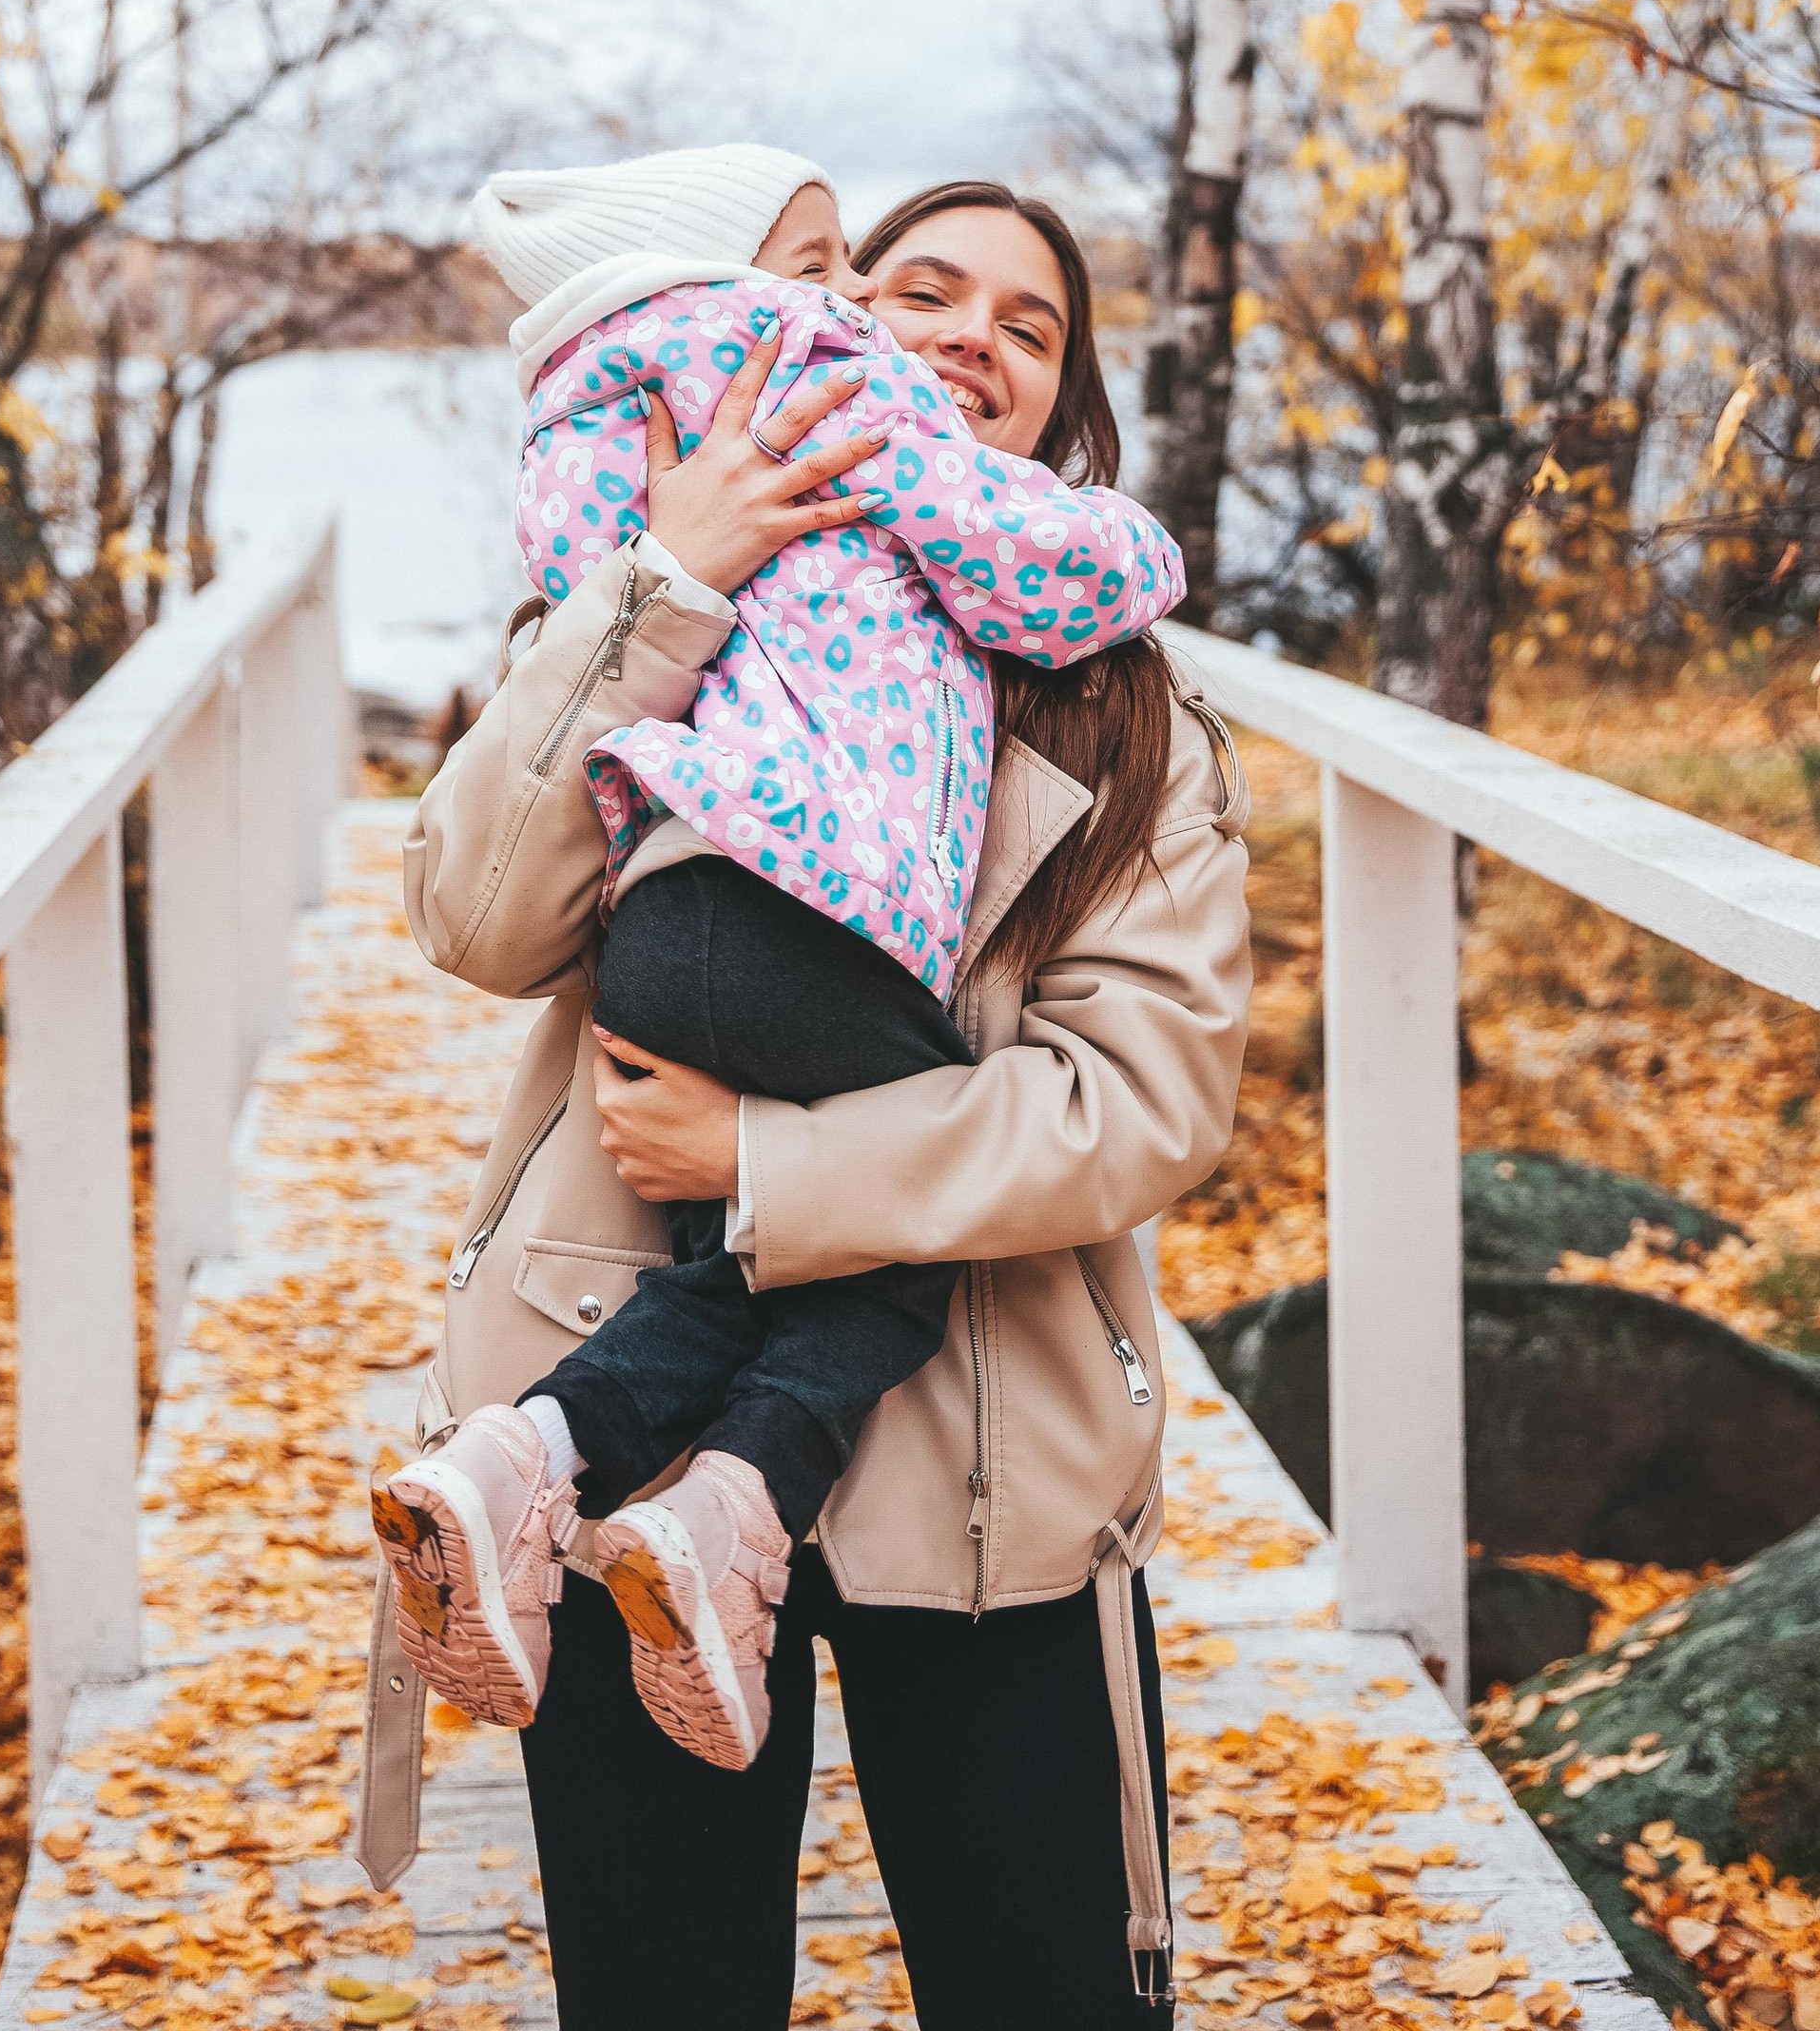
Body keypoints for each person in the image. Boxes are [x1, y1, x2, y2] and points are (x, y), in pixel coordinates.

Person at [356, 181, 1252, 2031]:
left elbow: (1137, 1105)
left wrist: (770, 1165)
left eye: (1027, 324)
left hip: (991, 1462)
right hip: (628, 1467)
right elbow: (472, 917)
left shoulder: (1124, 717)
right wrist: (662, 584)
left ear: (1059, 410)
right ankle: (532, 1479)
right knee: (661, 1998)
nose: (967, 337)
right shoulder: (670, 585)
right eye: (920, 287)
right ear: (821, 317)